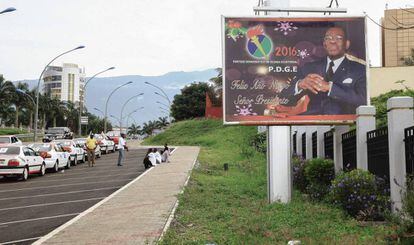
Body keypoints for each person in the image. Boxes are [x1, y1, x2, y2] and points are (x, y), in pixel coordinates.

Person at [275, 25, 366, 115]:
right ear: (324, 44)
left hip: (345, 125)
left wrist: (330, 88)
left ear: (347, 44)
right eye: (328, 38)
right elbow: (283, 99)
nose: (332, 41)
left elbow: (363, 100)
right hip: (310, 124)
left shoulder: (359, 69)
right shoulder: (308, 68)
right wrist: (299, 85)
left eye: (338, 38)